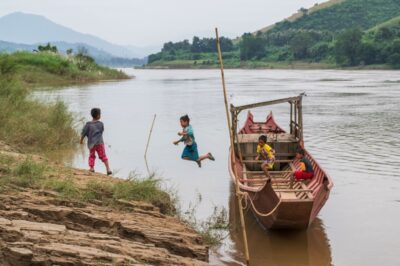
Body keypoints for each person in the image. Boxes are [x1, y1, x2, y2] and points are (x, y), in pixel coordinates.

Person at [80, 108, 112, 175]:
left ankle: (92, 168)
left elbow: (83, 133)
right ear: (98, 116)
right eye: (100, 114)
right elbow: (101, 131)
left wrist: (81, 140)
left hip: (91, 144)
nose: (100, 115)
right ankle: (108, 169)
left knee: (92, 156)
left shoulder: (88, 124)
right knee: (103, 156)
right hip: (100, 143)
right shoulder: (101, 124)